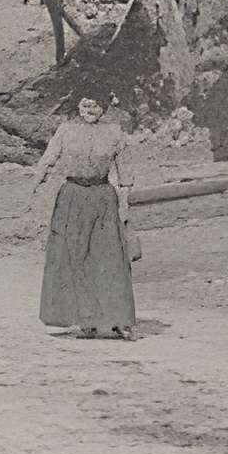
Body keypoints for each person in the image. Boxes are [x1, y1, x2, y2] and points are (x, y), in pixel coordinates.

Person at [35, 93, 138, 339]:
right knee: (73, 255)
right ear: (79, 107)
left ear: (105, 106)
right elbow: (47, 161)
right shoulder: (66, 131)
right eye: (86, 104)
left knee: (109, 255)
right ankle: (82, 319)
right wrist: (35, 192)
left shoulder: (114, 133)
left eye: (96, 104)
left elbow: (125, 174)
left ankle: (117, 318)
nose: (90, 109)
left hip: (103, 197)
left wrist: (124, 206)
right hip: (72, 197)